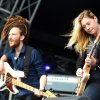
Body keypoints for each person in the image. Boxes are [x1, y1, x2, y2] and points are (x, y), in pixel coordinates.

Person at [0, 16, 47, 100]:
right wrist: (1, 69)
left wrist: (41, 89)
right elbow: (2, 59)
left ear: (22, 37)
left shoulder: (32, 52)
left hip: (33, 91)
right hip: (20, 92)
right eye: (9, 34)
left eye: (13, 34)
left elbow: (42, 74)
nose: (9, 37)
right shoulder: (11, 53)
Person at [66, 10, 100, 100]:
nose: (87, 28)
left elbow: (95, 62)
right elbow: (80, 60)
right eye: (84, 27)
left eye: (88, 23)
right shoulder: (88, 40)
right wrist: (79, 69)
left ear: (95, 18)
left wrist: (96, 62)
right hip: (89, 80)